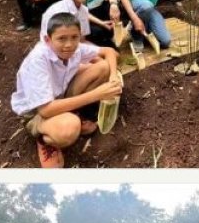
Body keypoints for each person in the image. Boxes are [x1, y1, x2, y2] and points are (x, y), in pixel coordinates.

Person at [10, 13, 120, 168]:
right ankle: (44, 138)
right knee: (69, 127)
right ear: (48, 40)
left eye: (74, 37)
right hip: (36, 112)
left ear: (79, 36)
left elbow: (109, 52)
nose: (69, 44)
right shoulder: (38, 61)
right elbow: (46, 110)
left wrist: (114, 76)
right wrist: (98, 94)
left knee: (103, 67)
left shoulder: (76, 48)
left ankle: (71, 112)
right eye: (61, 39)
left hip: (59, 96)